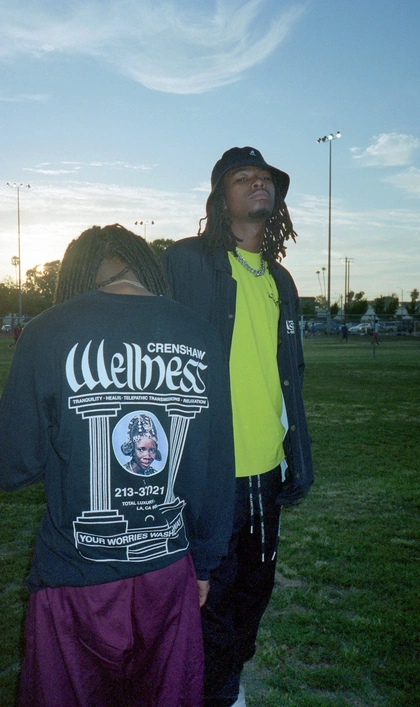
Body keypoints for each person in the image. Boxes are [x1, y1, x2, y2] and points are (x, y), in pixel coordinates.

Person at [0, 224, 235, 707]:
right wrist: (206, 562)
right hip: (167, 573)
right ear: (147, 267)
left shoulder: (48, 330)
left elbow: (14, 465)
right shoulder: (200, 334)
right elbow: (215, 467)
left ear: (77, 272)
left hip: (75, 578)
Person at [162, 147, 314, 707]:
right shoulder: (185, 263)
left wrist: (298, 453)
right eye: (242, 177)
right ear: (219, 198)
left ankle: (225, 684)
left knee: (254, 591)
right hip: (206, 472)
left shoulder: (281, 279)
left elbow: (289, 374)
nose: (258, 183)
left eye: (265, 178)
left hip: (265, 470)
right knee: (205, 597)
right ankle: (213, 692)